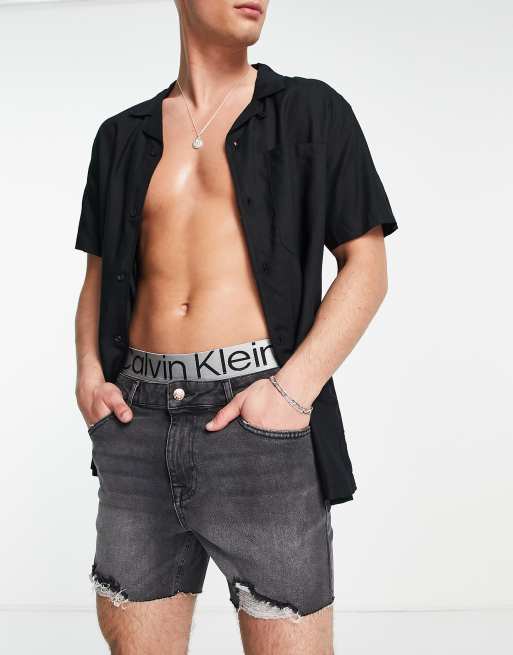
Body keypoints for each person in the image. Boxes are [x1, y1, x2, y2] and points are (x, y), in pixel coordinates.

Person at [74, 1, 398, 652]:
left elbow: (366, 267)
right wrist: (88, 376)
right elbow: (97, 276)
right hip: (137, 425)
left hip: (258, 424)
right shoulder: (120, 136)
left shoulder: (312, 111)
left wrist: (290, 392)